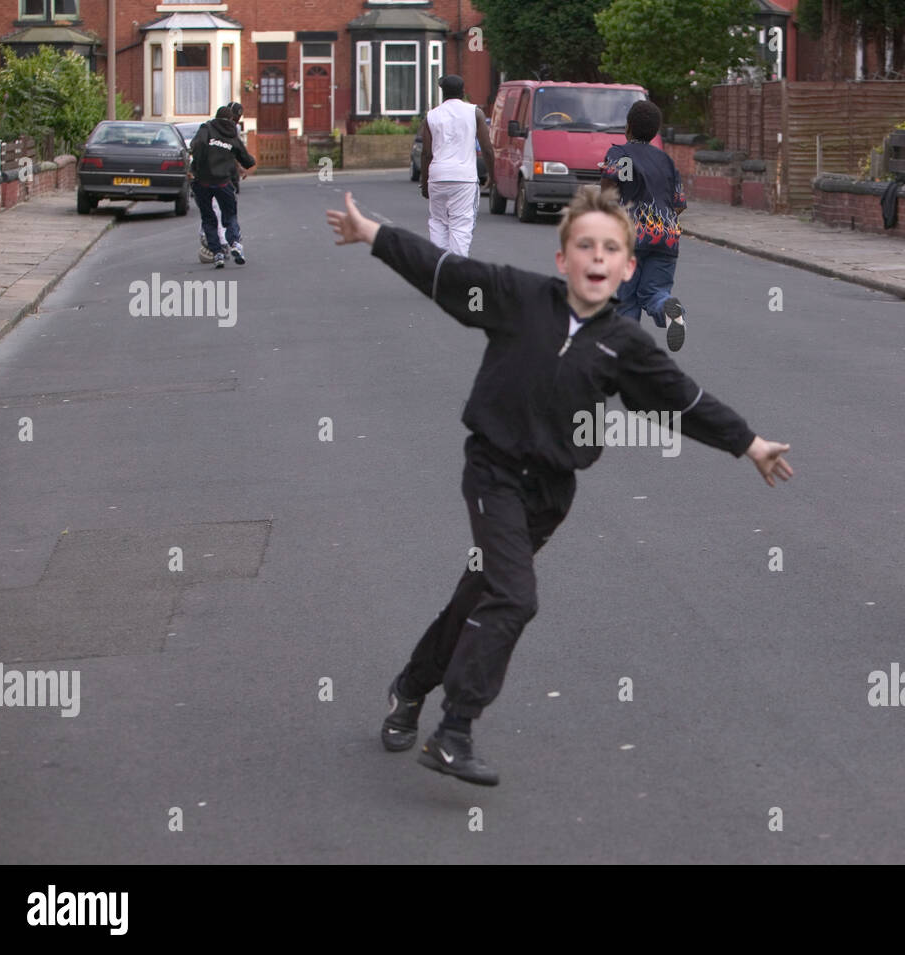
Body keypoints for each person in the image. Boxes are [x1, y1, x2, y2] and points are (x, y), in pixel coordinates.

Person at [324, 185, 793, 786]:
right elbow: (447, 270)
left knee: (480, 597)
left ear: (627, 268)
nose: (597, 258)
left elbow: (684, 399)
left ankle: (410, 688)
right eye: (585, 246)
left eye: (611, 249)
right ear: (563, 258)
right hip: (492, 472)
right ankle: (456, 729)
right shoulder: (519, 297)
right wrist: (374, 235)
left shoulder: (625, 345)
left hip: (548, 494)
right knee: (515, 597)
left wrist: (748, 443)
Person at [599, 100, 688, 352]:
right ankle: (671, 310)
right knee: (655, 292)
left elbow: (609, 191)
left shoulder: (619, 154)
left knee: (626, 300)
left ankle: (625, 354)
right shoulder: (666, 161)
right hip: (667, 235)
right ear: (655, 132)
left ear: (628, 128)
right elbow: (678, 203)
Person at [420, 75, 494, 257]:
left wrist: (425, 183)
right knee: (460, 228)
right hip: (464, 179)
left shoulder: (431, 116)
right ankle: (456, 275)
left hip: (437, 177)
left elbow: (427, 154)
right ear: (463, 91)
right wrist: (492, 176)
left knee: (438, 223)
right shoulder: (475, 113)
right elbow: (487, 149)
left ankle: (438, 270)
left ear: (443, 92)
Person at [189, 105, 255, 268]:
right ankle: (234, 243)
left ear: (216, 116)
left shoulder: (206, 128)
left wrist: (197, 165)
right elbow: (247, 159)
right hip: (223, 182)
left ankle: (217, 253)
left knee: (208, 217)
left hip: (202, 182)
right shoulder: (232, 134)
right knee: (230, 214)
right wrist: (244, 163)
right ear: (231, 118)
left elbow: (195, 145)